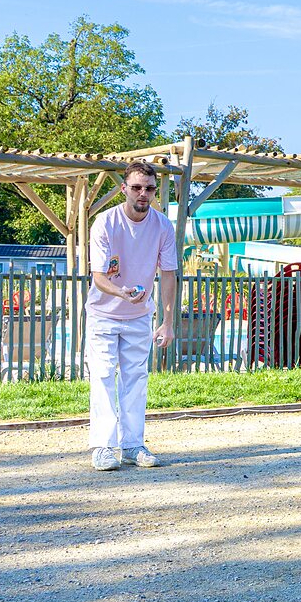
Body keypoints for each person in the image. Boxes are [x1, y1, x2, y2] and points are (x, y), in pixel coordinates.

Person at [85, 161, 178, 471]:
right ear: (123, 188)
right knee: (102, 376)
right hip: (104, 313)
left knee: (136, 379)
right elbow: (98, 276)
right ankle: (102, 445)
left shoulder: (163, 226)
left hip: (139, 315)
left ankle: (132, 444)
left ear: (155, 192)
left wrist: (168, 321)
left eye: (149, 188)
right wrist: (121, 292)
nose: (143, 193)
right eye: (137, 187)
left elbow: (168, 274)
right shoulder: (105, 223)